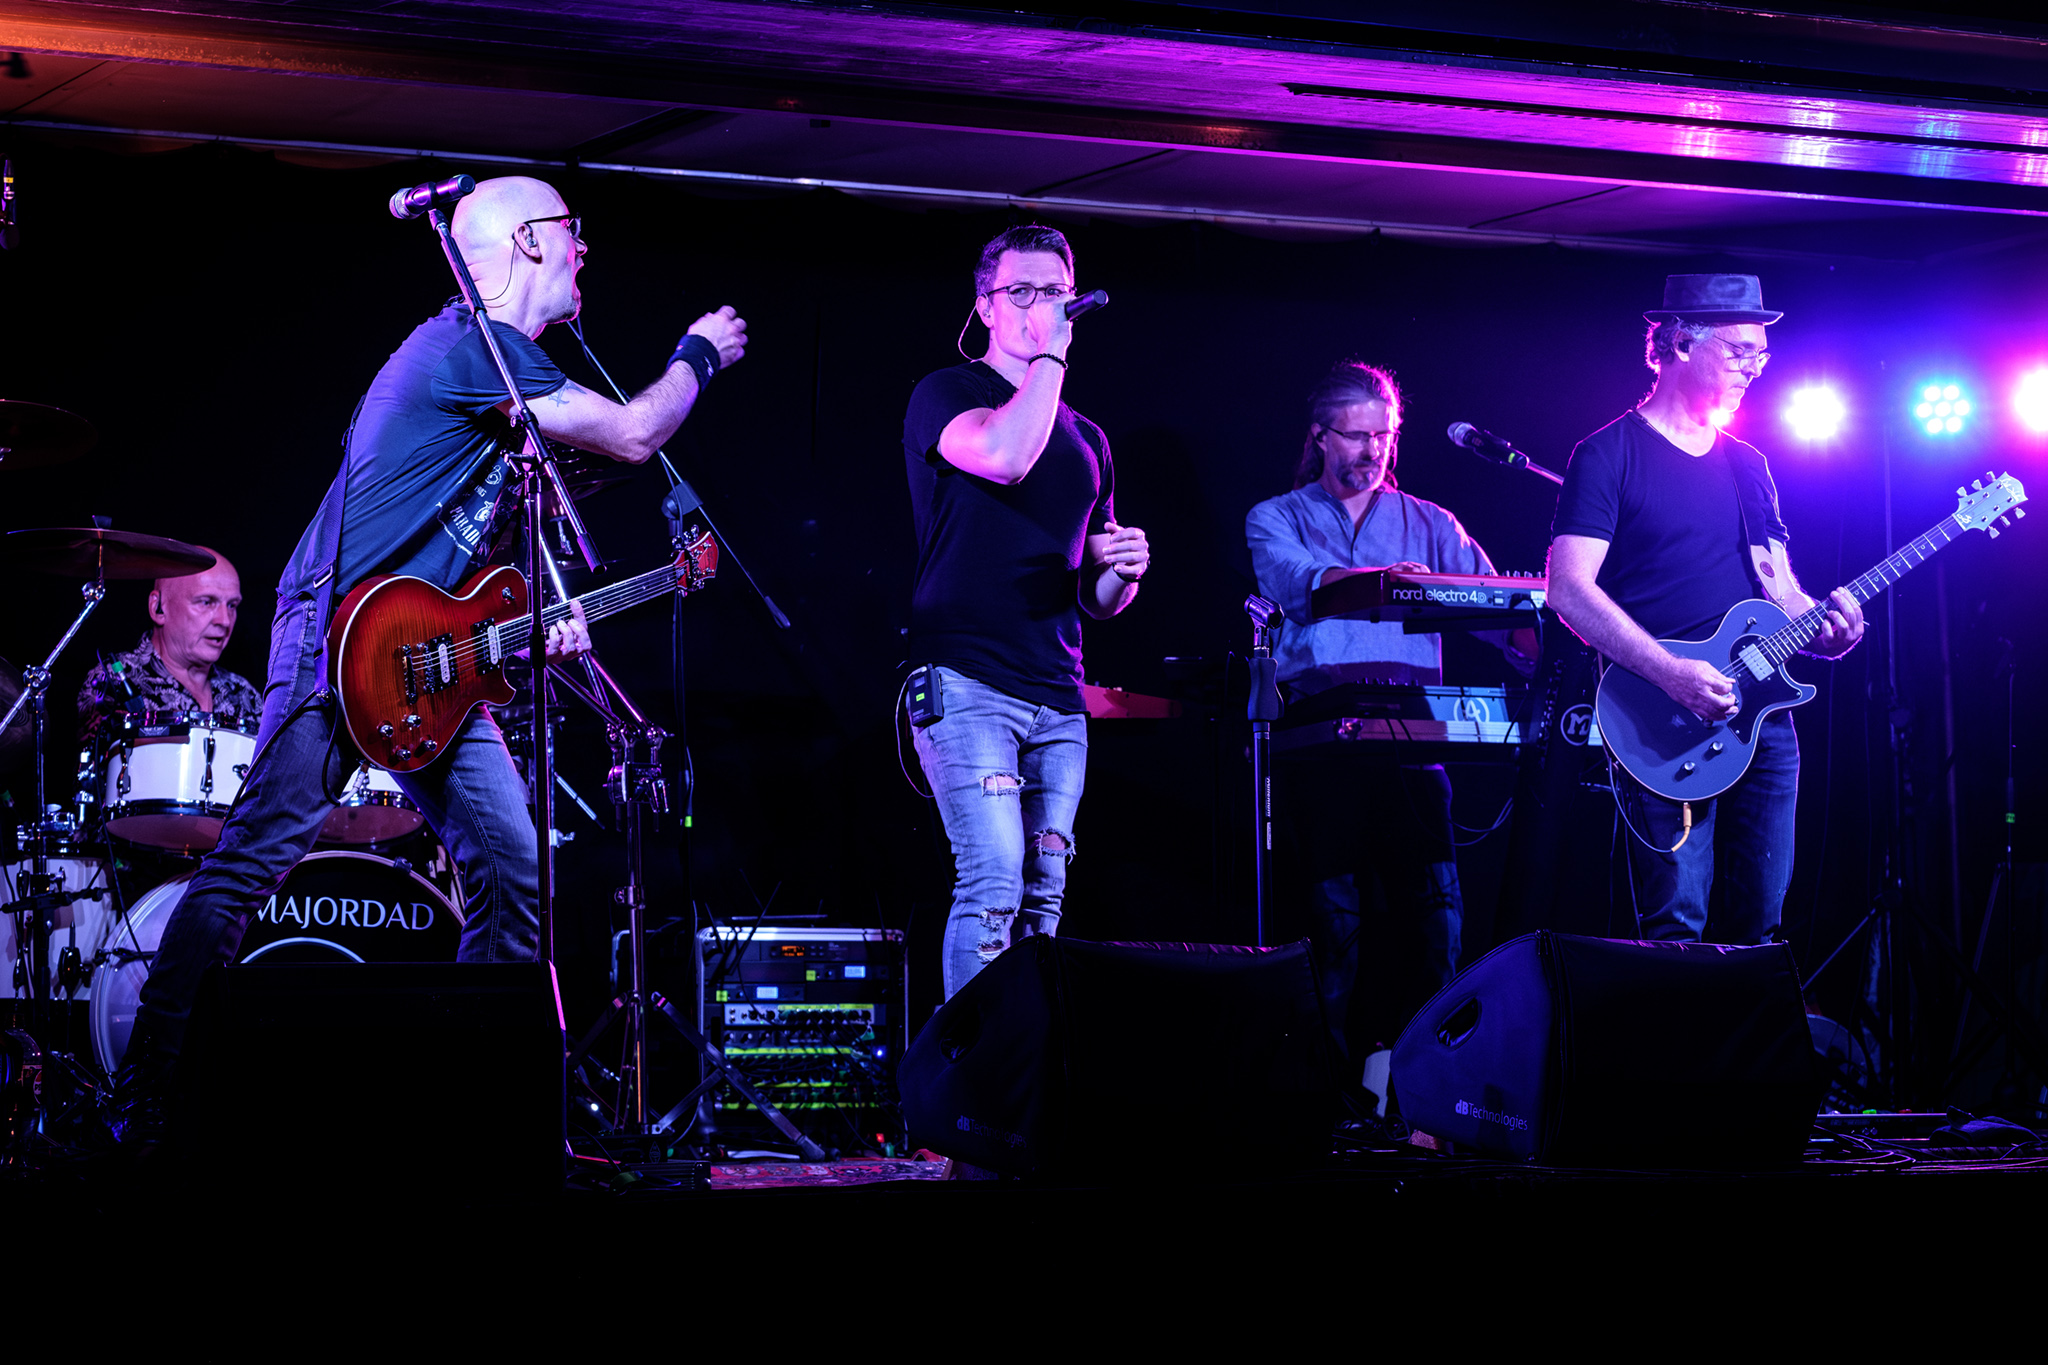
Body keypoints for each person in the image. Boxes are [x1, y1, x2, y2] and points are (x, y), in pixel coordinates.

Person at [112, 176, 749, 1132]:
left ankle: (464, 1111)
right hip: (337, 634)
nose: (585, 249)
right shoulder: (468, 347)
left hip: (425, 651)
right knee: (252, 861)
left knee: (513, 866)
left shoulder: (506, 380)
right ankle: (147, 1097)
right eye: (572, 232)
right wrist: (698, 353)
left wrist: (536, 621)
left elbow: (474, 540)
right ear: (528, 241)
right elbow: (632, 432)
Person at [1546, 273, 1862, 944]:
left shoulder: (1749, 464)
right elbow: (1568, 589)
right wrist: (1671, 673)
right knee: (1675, 928)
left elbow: (1782, 591)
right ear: (1681, 343)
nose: (1755, 368)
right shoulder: (1607, 454)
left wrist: (1824, 629)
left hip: (1762, 719)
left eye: (1762, 355)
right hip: (1661, 719)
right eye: (1740, 350)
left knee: (1760, 925)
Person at [1247, 359, 1534, 1067]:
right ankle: (1327, 1089)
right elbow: (1301, 584)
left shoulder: (1432, 522)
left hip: (1414, 737)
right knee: (1331, 928)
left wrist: (1553, 618)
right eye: (1356, 435)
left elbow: (1496, 609)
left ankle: (1434, 1083)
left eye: (1384, 435)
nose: (1373, 450)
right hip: (1322, 738)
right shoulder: (1275, 516)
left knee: (1438, 922)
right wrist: (1383, 581)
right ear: (1321, 436)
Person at [902, 223, 1149, 1001]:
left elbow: (1095, 600)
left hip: (1057, 692)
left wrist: (1120, 572)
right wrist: (1051, 357)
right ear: (985, 306)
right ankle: (970, 1072)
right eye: (1021, 291)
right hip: (967, 677)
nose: (1040, 306)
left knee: (1044, 895)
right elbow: (1004, 457)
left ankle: (1026, 1061)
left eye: (1055, 292)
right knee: (993, 879)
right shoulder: (949, 393)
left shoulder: (1088, 438)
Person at [78, 548, 261, 745]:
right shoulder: (113, 680)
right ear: (158, 608)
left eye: (232, 605)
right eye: (206, 602)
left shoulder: (245, 694)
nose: (224, 620)